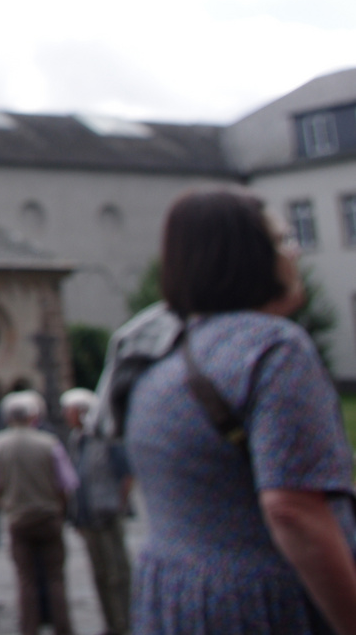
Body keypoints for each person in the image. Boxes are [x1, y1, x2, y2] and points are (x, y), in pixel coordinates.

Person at [119, 190, 356, 635]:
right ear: (248, 256)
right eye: (283, 240)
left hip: (173, 599)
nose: (295, 251)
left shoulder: (159, 355)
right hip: (263, 604)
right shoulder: (273, 348)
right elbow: (293, 510)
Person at [0, 389, 77, 635]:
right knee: (55, 577)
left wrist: (5, 504)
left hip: (18, 517)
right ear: (33, 417)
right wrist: (59, 507)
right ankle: (63, 627)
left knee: (26, 579)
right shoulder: (49, 444)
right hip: (48, 515)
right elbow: (66, 483)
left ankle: (29, 628)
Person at [61, 387, 131, 635]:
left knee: (117, 573)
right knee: (99, 574)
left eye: (68, 410)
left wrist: (119, 503)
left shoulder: (105, 436)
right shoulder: (76, 438)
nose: (65, 415)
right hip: (87, 515)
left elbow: (126, 474)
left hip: (107, 513)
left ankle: (125, 622)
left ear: (81, 412)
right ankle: (111, 624)